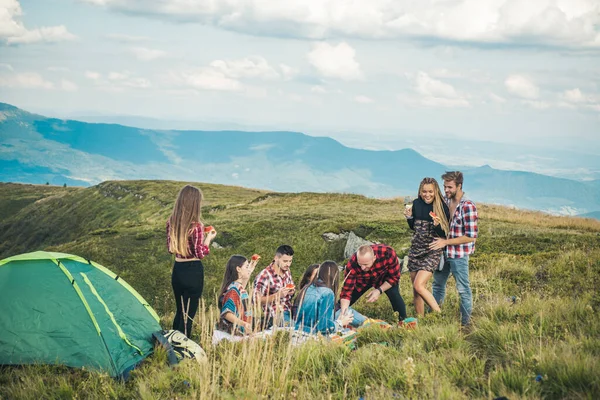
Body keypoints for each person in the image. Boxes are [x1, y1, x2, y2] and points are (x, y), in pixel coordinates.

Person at [167, 185, 216, 337]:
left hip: (178, 270)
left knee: (180, 311)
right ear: (195, 203)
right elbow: (200, 253)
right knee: (188, 315)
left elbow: (170, 249)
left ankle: (172, 342)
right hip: (193, 270)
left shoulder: (172, 222)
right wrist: (208, 239)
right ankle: (183, 347)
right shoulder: (197, 226)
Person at [430, 171, 478, 326]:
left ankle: (466, 324)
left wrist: (446, 242)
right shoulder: (445, 200)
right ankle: (433, 319)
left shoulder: (468, 206)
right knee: (437, 285)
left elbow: (471, 236)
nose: (446, 190)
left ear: (459, 186)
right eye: (445, 187)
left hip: (459, 255)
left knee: (463, 289)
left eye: (449, 187)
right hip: (443, 253)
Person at [404, 177, 450, 317]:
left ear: (435, 191)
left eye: (430, 191)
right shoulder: (416, 204)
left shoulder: (442, 207)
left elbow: (444, 235)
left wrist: (437, 226)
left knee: (419, 285)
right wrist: (409, 218)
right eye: (424, 191)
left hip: (432, 250)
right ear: (420, 191)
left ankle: (438, 315)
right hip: (416, 249)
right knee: (415, 289)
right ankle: (420, 320)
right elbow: (414, 228)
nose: (427, 194)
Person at [339, 244, 408, 325]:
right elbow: (346, 292)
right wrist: (343, 313)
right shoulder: (352, 264)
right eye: (360, 264)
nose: (363, 268)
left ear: (374, 258)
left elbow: (394, 278)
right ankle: (335, 320)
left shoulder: (388, 253)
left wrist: (379, 290)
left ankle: (403, 323)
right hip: (362, 280)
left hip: (384, 277)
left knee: (395, 296)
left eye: (365, 264)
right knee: (342, 305)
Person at [295, 261, 354, 334]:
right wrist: (341, 323)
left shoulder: (306, 288)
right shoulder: (328, 293)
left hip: (297, 334)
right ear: (334, 277)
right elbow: (323, 327)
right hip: (313, 337)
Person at [213, 255, 260, 343]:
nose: (248, 269)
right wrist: (244, 324)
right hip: (234, 336)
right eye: (246, 267)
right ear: (238, 269)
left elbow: (242, 290)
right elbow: (227, 314)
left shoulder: (237, 287)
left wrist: (249, 270)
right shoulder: (233, 290)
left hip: (239, 334)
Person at [253, 245, 296, 328]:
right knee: (296, 328)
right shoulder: (265, 276)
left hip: (290, 309)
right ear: (276, 258)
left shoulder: (286, 270)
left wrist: (291, 292)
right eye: (285, 261)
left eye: (290, 261)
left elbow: (291, 288)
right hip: (275, 315)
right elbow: (255, 300)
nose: (288, 264)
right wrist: (277, 296)